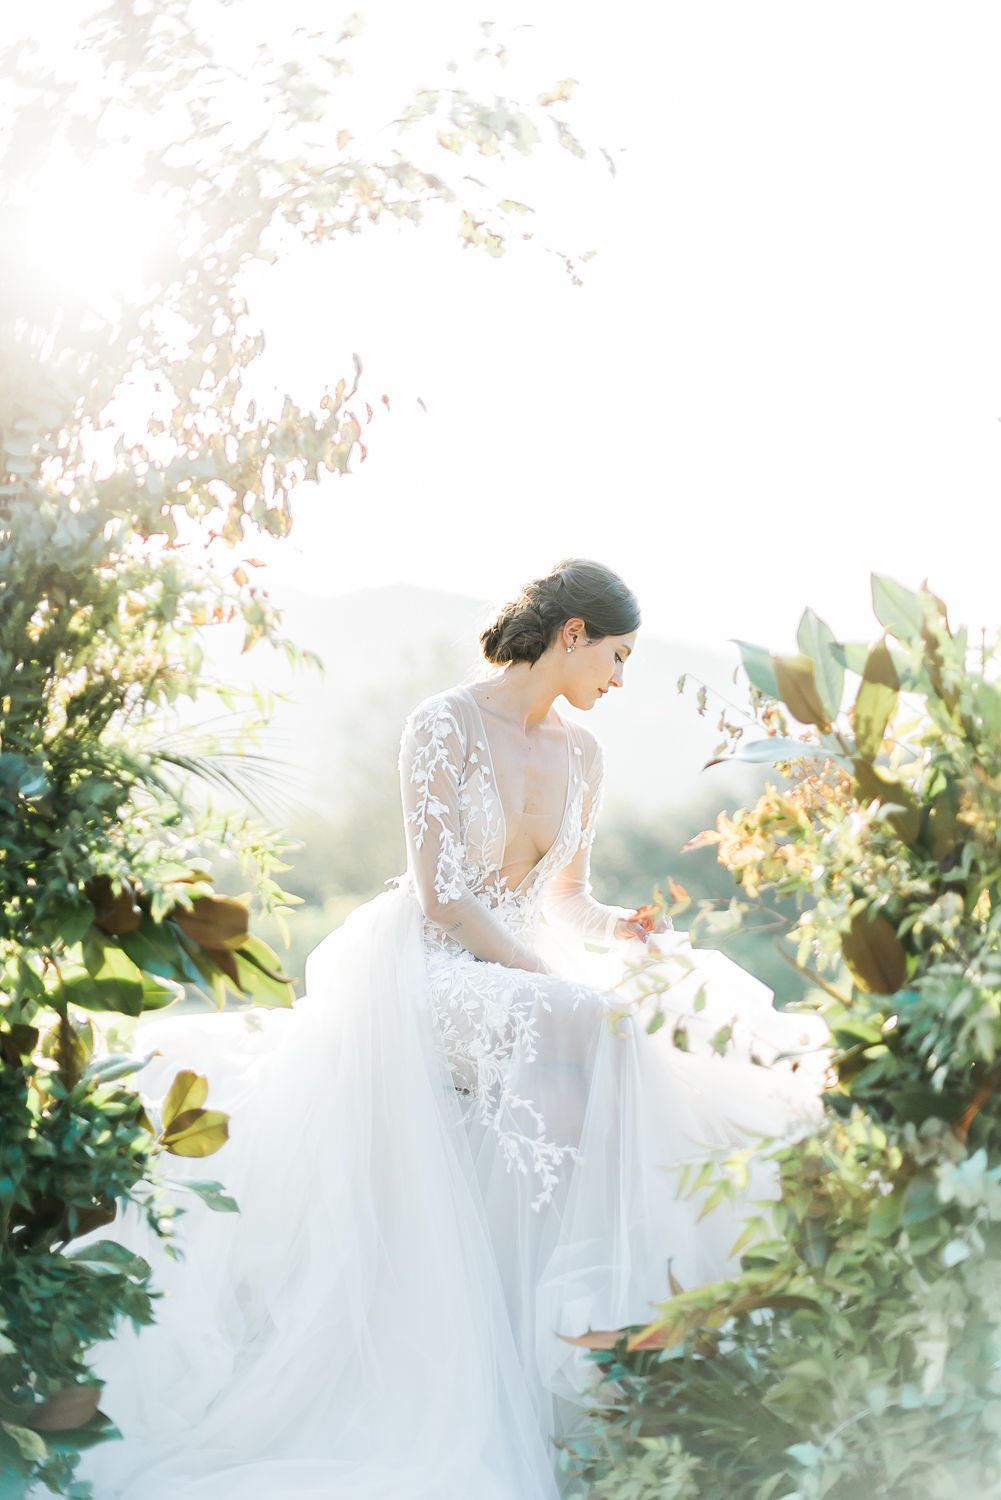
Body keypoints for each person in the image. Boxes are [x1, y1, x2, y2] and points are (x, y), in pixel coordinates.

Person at [80, 559, 825, 1500]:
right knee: (569, 1014)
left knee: (667, 1006)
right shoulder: (442, 723)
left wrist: (620, 931)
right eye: (618, 655)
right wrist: (553, 977)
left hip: (522, 959)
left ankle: (617, 1317)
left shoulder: (583, 756)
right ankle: (550, 1309)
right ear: (572, 635)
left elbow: (565, 897)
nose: (620, 680)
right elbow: (443, 898)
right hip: (428, 966)